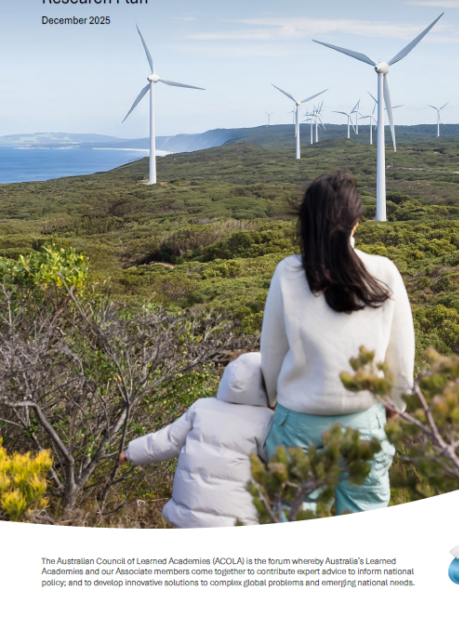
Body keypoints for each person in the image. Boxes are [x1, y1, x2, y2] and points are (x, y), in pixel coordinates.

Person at [260, 170, 415, 514]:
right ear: (356, 222)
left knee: (298, 529)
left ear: (307, 221)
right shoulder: (385, 272)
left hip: (298, 424)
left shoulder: (287, 273)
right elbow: (401, 359)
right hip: (364, 421)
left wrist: (273, 398)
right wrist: (396, 409)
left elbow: (271, 354)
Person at [120, 352, 273, 528]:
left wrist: (131, 452)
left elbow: (169, 439)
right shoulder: (266, 420)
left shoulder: (202, 407)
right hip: (234, 521)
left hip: (186, 515)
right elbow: (279, 461)